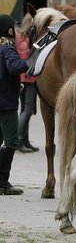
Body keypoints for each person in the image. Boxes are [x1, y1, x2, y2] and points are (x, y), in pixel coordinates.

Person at [0, 14, 29, 195]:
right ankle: (3, 183)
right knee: (11, 141)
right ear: (9, 30)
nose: (16, 30)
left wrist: (11, 83)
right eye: (14, 27)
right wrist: (30, 62)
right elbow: (13, 67)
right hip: (6, 104)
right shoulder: (8, 48)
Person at [14, 14, 39, 153]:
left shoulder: (19, 37)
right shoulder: (31, 39)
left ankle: (25, 141)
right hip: (30, 77)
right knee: (28, 109)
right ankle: (18, 140)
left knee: (24, 109)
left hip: (21, 76)